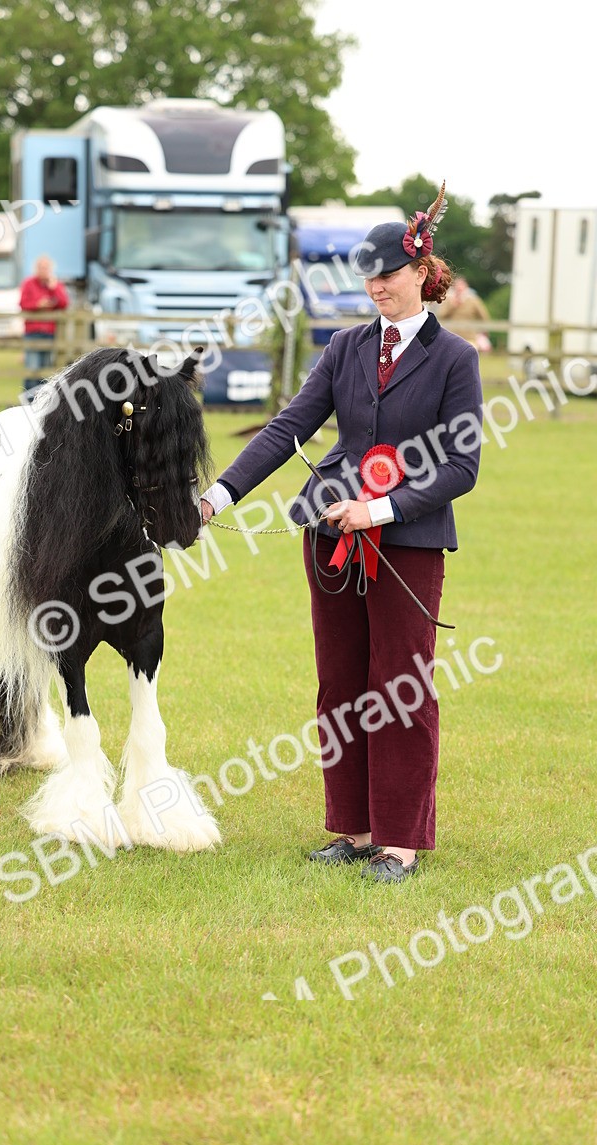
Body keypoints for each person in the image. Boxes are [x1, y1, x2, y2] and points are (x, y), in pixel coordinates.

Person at [200, 183, 483, 884]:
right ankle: (353, 832)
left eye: (388, 274)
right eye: (369, 277)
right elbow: (287, 428)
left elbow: (462, 465)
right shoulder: (346, 347)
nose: (376, 287)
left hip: (406, 542)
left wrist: (379, 511)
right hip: (327, 534)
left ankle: (400, 844)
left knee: (401, 685)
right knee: (341, 686)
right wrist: (215, 496)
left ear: (421, 272)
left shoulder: (455, 361)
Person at [19, 255, 69, 395]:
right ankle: (28, 401)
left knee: (47, 369)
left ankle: (43, 401)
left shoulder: (55, 284)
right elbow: (23, 304)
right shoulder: (29, 283)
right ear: (36, 269)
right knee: (32, 368)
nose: (43, 270)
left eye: (46, 267)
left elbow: (64, 303)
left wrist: (53, 288)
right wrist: (38, 305)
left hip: (50, 332)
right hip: (33, 331)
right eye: (41, 267)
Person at [437, 275, 491, 352]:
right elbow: (441, 315)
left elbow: (483, 316)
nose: (459, 288)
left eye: (461, 285)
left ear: (466, 286)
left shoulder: (473, 300)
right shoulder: (448, 299)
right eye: (457, 285)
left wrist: (483, 331)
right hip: (451, 336)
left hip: (469, 337)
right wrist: (452, 306)